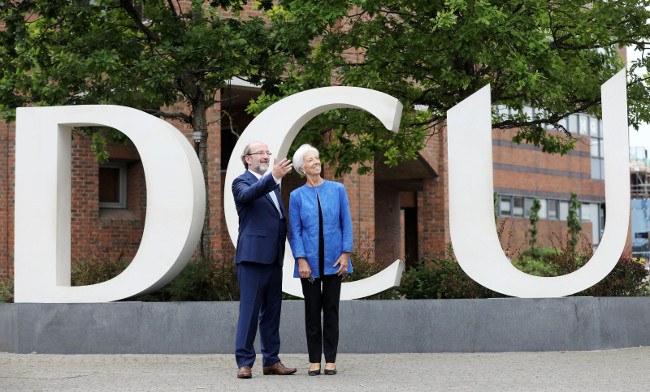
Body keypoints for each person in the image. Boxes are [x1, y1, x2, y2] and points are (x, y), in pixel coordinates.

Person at [232, 141, 296, 379]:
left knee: (272, 313)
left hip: (273, 259)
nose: (266, 156)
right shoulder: (241, 182)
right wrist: (272, 177)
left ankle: (271, 361)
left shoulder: (273, 187)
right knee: (249, 312)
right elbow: (248, 196)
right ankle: (245, 362)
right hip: (252, 259)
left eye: (268, 153)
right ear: (247, 159)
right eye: (261, 153)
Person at [288, 144, 353, 376]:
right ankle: (314, 359)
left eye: (317, 157)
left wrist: (346, 254)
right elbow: (294, 231)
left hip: (336, 262)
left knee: (332, 310)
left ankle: (331, 360)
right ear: (302, 168)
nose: (316, 162)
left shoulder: (338, 189)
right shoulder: (296, 196)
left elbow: (346, 222)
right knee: (312, 311)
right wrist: (301, 259)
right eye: (310, 160)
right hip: (310, 265)